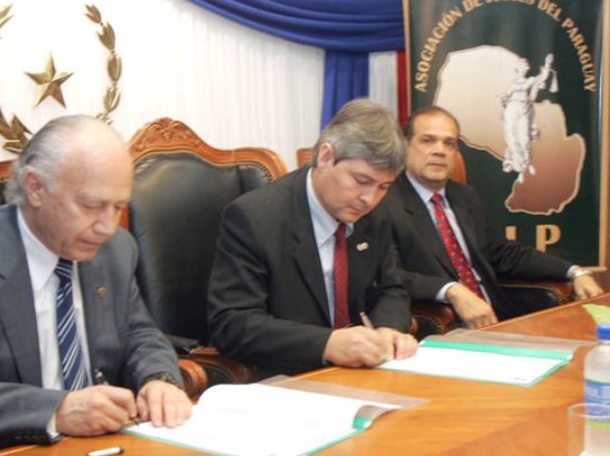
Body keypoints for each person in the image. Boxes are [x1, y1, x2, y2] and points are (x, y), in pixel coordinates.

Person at [0, 115, 191, 452]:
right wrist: (56, 410)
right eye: (91, 206)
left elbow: (139, 334)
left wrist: (158, 379)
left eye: (119, 206)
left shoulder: (116, 250)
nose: (108, 227)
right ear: (35, 187)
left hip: (110, 445)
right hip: (16, 453)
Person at [207, 98, 417, 377]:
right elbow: (232, 323)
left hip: (362, 373)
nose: (370, 199)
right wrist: (326, 344)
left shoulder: (374, 214)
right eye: (361, 181)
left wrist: (387, 328)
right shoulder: (254, 218)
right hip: (286, 376)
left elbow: (392, 288)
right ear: (326, 157)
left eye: (384, 187)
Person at [385, 106, 602, 329]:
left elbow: (504, 254)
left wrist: (574, 272)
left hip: (497, 318)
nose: (440, 151)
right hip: (448, 325)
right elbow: (388, 275)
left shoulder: (464, 196)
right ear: (405, 146)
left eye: (449, 143)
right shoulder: (385, 203)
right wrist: (450, 290)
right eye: (428, 140)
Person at [500, 54, 557, 183]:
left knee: (524, 139)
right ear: (517, 68)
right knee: (512, 137)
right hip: (512, 109)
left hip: (524, 110)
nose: (523, 69)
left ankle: (526, 163)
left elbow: (542, 77)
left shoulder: (530, 80)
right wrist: (504, 97)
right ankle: (519, 168)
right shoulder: (512, 83)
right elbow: (506, 98)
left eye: (525, 66)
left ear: (526, 69)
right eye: (521, 66)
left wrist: (547, 64)